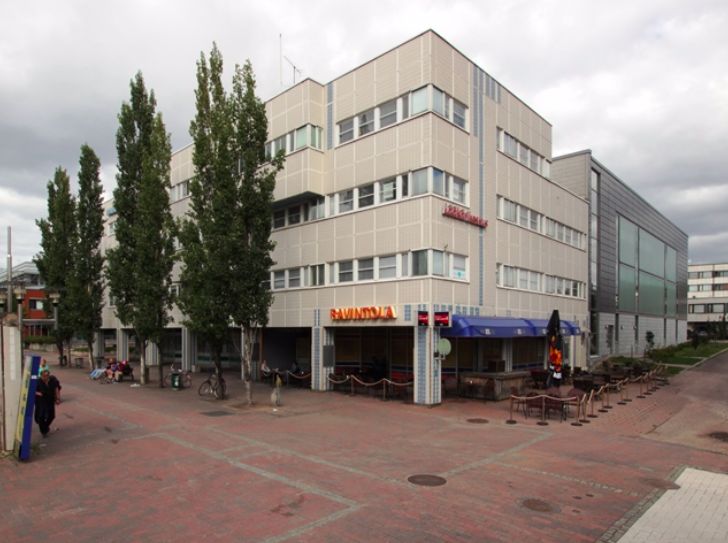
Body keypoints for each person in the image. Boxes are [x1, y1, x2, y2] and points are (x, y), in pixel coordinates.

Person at [34, 369, 60, 437]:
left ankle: (45, 427)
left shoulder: (53, 380)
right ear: (41, 376)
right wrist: (38, 393)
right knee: (41, 417)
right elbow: (32, 390)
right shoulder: (37, 382)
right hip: (41, 401)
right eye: (44, 376)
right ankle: (43, 431)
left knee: (52, 416)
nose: (46, 377)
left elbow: (56, 389)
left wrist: (57, 398)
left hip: (50, 400)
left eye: (47, 375)